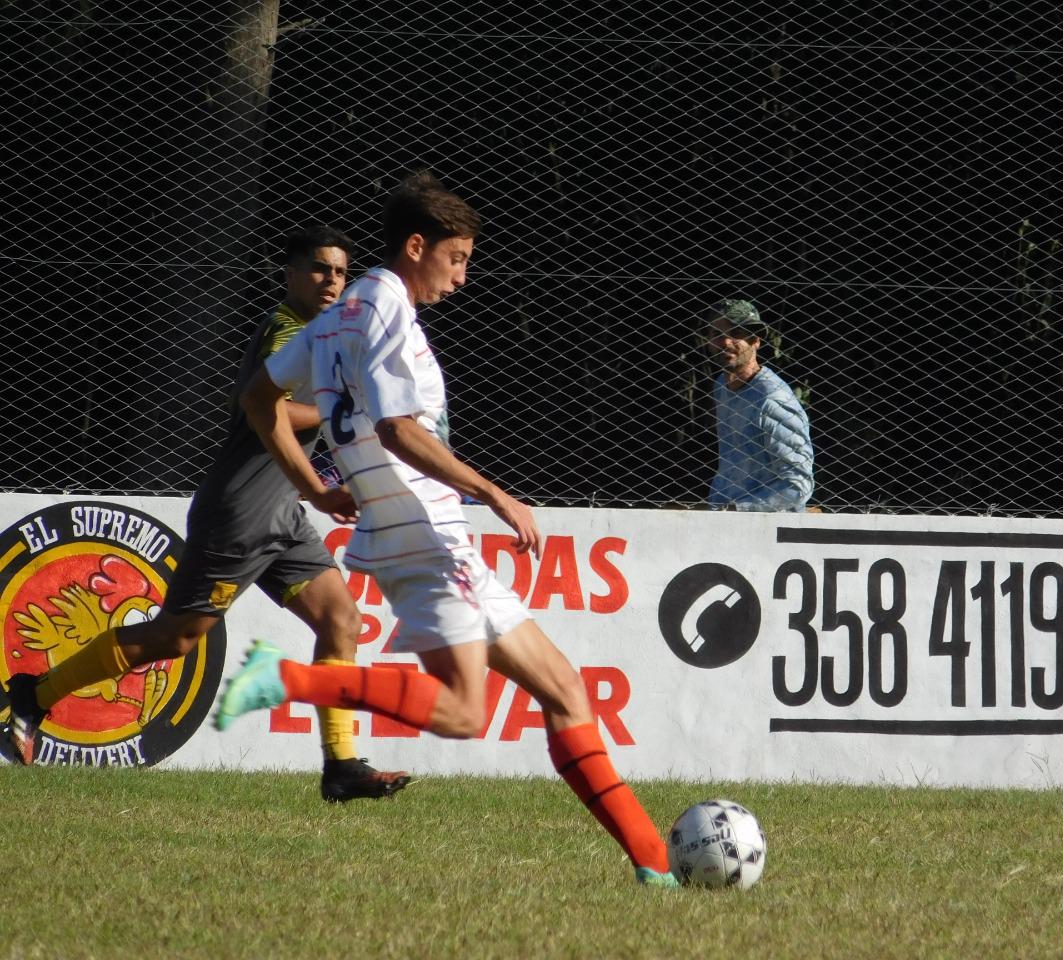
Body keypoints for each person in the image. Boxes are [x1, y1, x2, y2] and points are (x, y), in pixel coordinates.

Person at [217, 176, 680, 888]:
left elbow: (257, 399)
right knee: (464, 712)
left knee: (564, 688)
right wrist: (494, 492)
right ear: (416, 246)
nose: (462, 277)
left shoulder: (340, 315)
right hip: (424, 533)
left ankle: (654, 863)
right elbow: (399, 430)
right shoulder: (386, 309)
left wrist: (313, 487)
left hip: (429, 536)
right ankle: (286, 678)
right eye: (456, 258)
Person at [4, 224, 410, 804]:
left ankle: (341, 766)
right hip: (239, 514)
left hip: (283, 515)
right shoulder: (287, 330)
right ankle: (36, 694)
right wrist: (343, 407)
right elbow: (268, 408)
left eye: (341, 272)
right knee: (174, 639)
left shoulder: (322, 338)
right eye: (320, 268)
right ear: (290, 275)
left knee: (341, 620)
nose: (332, 281)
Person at [703, 298, 814, 512]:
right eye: (717, 334)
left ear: (755, 341)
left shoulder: (772, 400)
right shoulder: (722, 386)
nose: (725, 342)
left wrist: (739, 510)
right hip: (722, 517)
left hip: (764, 524)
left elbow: (798, 485)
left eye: (736, 333)